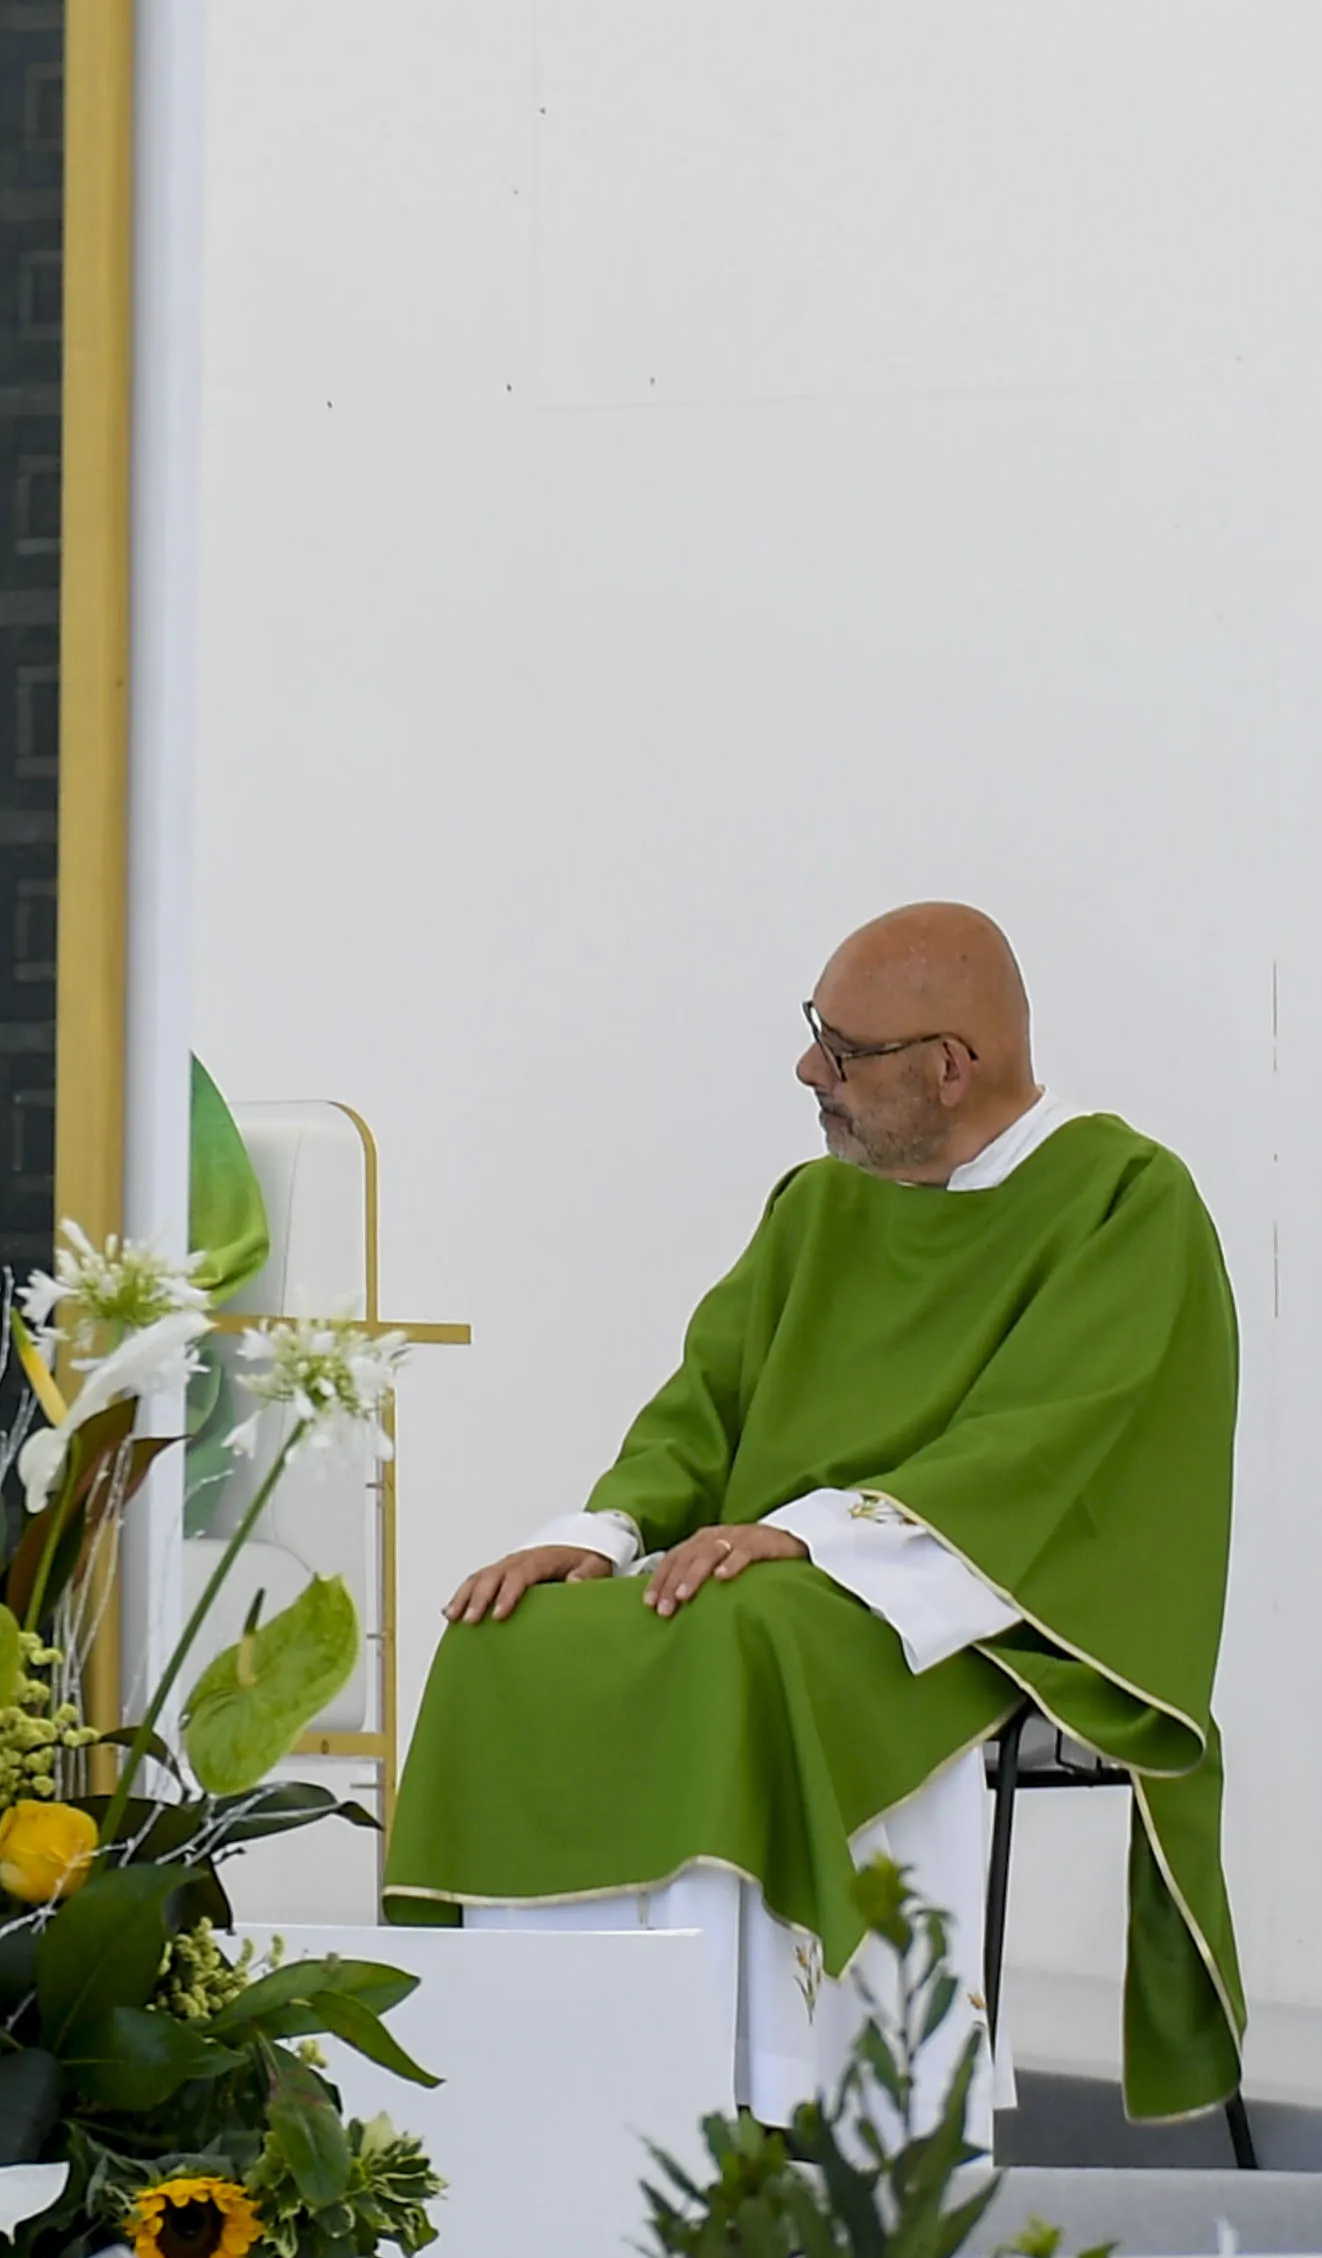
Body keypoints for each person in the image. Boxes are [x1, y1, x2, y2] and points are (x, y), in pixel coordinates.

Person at [387, 903, 1246, 2125]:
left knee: (749, 1629)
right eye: (815, 1038)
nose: (808, 1072)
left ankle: (756, 2085)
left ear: (951, 1067)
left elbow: (1052, 1438)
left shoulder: (1123, 1201)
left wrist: (815, 1534)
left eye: (840, 1052)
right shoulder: (815, 1208)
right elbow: (705, 1404)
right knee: (506, 1634)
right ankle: (530, 2087)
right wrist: (600, 1532)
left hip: (978, 1597)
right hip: (777, 1576)